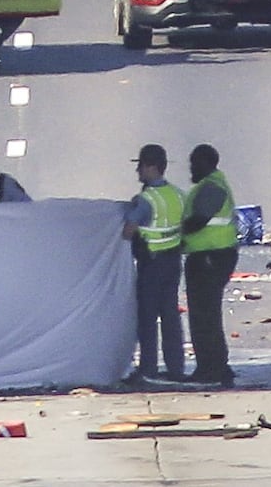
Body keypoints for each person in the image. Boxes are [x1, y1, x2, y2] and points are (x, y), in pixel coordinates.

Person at [121, 144, 186, 383]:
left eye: (140, 166)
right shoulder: (178, 195)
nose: (138, 171)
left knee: (147, 318)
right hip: (172, 261)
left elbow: (128, 232)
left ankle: (148, 368)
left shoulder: (146, 200)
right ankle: (176, 366)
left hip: (152, 263)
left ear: (151, 167)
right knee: (170, 315)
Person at [180, 144, 240, 387]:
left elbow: (198, 221)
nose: (191, 168)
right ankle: (215, 366)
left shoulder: (211, 187)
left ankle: (211, 368)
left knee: (204, 315)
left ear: (206, 163)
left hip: (210, 257)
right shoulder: (213, 185)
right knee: (206, 314)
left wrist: (175, 233)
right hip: (213, 256)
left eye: (194, 163)